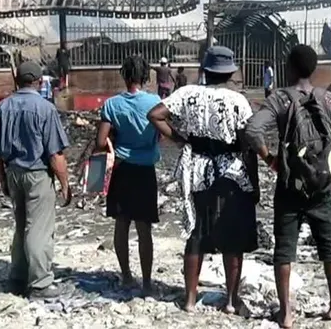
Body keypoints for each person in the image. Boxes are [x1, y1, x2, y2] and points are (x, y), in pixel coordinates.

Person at [147, 46, 258, 315]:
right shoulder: (238, 101)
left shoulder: (187, 93)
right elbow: (250, 142)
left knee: (196, 235)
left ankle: (189, 299)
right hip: (231, 172)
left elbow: (155, 115)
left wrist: (181, 139)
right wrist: (253, 181)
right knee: (232, 238)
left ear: (205, 69)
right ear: (230, 72)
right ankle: (231, 300)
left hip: (196, 169)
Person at [246, 44, 331, 328]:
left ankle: (286, 312)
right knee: (330, 247)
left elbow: (253, 130)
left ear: (288, 68)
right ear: (314, 69)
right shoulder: (330, 100)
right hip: (323, 186)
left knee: (284, 249)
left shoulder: (280, 99)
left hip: (290, 184)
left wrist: (271, 160)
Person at [0, 61, 72, 299]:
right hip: (37, 174)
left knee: (21, 226)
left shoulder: (4, 107)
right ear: (38, 81)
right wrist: (65, 184)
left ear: (17, 80)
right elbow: (55, 154)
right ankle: (40, 284)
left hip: (14, 171)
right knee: (39, 230)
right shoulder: (45, 109)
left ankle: (17, 277)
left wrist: (3, 179)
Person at [96, 56, 161, 293]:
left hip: (121, 170)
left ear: (125, 76)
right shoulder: (155, 102)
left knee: (121, 224)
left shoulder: (112, 105)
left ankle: (126, 276)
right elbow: (161, 133)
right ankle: (146, 282)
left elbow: (101, 141)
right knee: (145, 228)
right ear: (145, 77)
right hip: (145, 171)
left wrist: (114, 144)